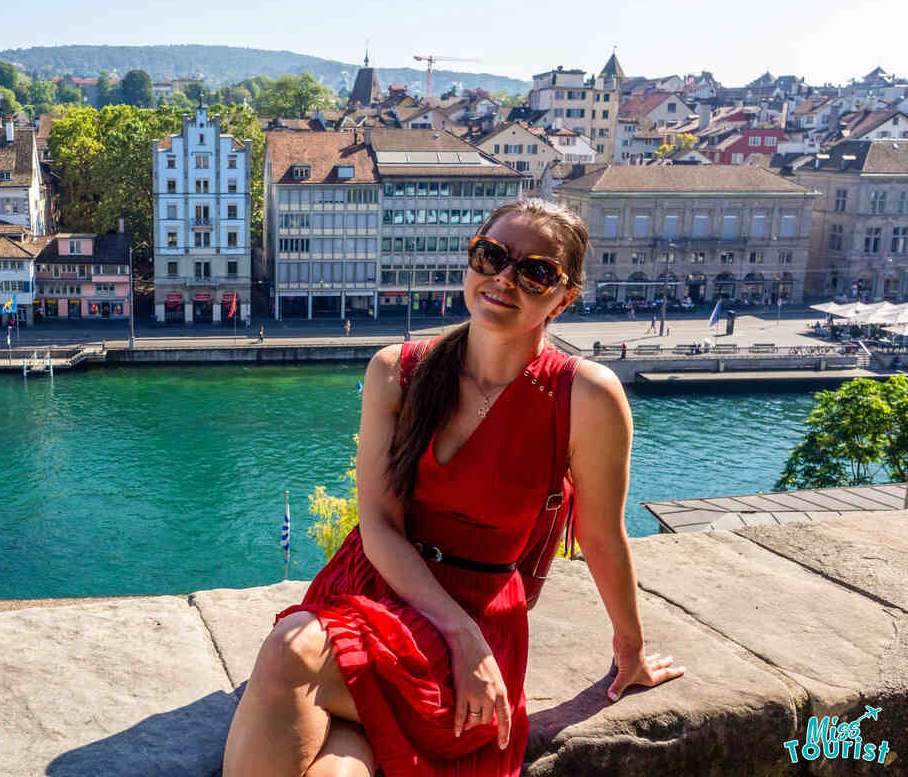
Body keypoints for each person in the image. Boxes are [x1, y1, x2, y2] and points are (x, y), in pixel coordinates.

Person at [224, 198, 685, 777]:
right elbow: (379, 528)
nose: (503, 278)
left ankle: (361, 716)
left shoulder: (584, 396)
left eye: (535, 271)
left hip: (482, 607)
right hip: (380, 585)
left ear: (564, 298)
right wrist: (462, 638)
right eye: (491, 256)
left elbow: (601, 535)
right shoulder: (397, 371)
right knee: (330, 750)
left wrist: (630, 652)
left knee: (296, 659)